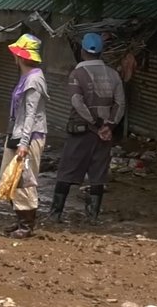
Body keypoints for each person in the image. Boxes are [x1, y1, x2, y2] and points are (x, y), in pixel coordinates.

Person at [49, 33, 126, 225]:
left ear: (82, 51)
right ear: (101, 52)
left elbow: (77, 102)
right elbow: (121, 104)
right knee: (98, 174)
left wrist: (96, 123)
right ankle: (93, 216)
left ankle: (55, 214)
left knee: (67, 171)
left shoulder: (77, 74)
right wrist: (109, 126)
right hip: (104, 135)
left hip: (82, 130)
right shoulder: (114, 74)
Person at [0, 34, 49, 239]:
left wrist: (24, 143)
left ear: (20, 56)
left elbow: (31, 114)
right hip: (18, 133)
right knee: (9, 177)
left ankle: (27, 225)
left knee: (24, 180)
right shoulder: (26, 77)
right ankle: (20, 220)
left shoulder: (34, 80)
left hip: (28, 135)